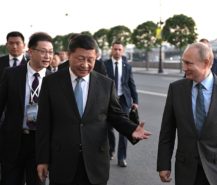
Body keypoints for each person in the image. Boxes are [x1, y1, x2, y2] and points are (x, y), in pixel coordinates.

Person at [35, 34, 151, 185]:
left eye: (90, 59)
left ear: (96, 57)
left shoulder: (106, 84)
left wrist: (132, 129)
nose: (85, 65)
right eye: (80, 58)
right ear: (69, 56)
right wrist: (42, 160)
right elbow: (44, 123)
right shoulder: (51, 83)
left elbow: (116, 115)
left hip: (96, 162)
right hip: (62, 161)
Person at [157, 42, 217, 185]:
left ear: (206, 62)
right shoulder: (176, 89)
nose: (184, 68)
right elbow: (167, 131)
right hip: (186, 169)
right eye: (183, 62)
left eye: (189, 64)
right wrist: (163, 164)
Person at [0, 32, 53, 185]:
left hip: (39, 144)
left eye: (50, 52)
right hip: (13, 141)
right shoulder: (11, 74)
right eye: (43, 51)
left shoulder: (54, 80)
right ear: (30, 52)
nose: (47, 56)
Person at [104, 40, 138, 167]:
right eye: (115, 49)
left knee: (124, 129)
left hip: (124, 100)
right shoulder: (105, 64)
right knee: (108, 128)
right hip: (108, 100)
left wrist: (135, 101)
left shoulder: (127, 66)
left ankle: (122, 157)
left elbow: (131, 83)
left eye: (119, 49)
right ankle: (110, 150)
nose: (117, 51)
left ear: (122, 51)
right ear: (111, 50)